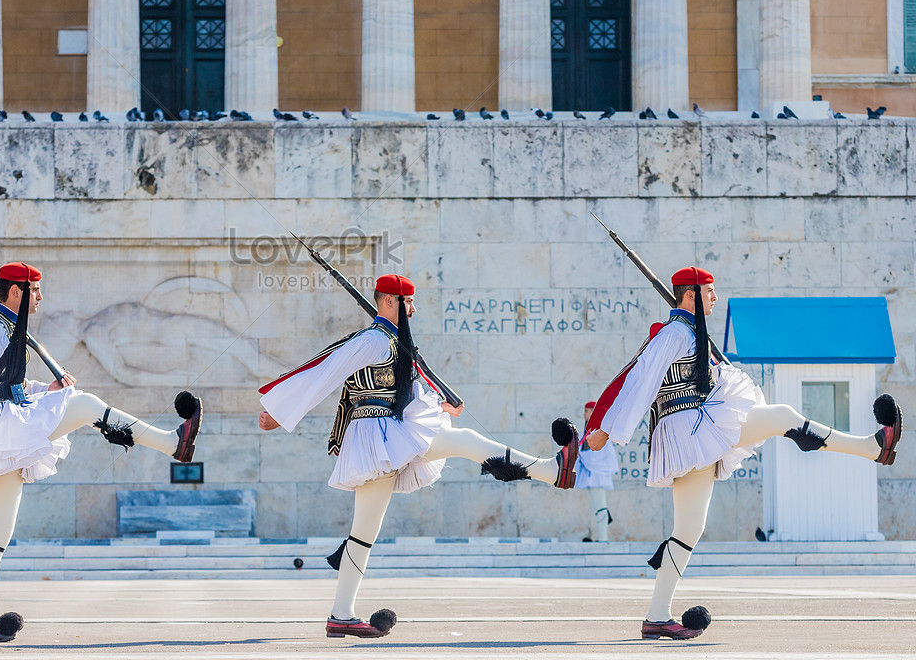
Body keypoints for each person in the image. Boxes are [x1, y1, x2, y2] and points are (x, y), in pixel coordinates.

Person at [587, 266, 902, 640]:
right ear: (691, 295)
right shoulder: (673, 333)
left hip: (693, 431)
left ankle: (657, 617)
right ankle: (870, 447)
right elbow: (639, 378)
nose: (715, 298)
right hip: (693, 426)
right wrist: (607, 429)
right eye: (709, 291)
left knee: (688, 530)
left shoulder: (689, 331)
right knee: (783, 416)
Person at [258, 273, 579, 639]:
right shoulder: (373, 340)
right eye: (408, 302)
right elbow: (324, 370)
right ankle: (552, 472)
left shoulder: (390, 340)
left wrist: (439, 402)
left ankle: (340, 615)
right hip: (380, 434)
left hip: (387, 432)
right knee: (466, 442)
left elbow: (402, 384)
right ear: (390, 302)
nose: (414, 308)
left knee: (363, 534)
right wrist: (280, 412)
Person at [0, 262, 203, 643]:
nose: (41, 298)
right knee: (84, 405)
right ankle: (173, 443)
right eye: (35, 290)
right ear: (15, 291)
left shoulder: (7, 329)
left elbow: (8, 387)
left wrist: (47, 390)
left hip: (5, 425)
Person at [576, 401, 617, 542]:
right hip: (592, 475)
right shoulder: (590, 431)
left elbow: (597, 455)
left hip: (597, 475)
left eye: (587, 411)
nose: (584, 414)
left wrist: (580, 454)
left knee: (601, 507)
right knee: (598, 507)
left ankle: (603, 539)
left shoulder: (597, 432)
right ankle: (601, 537)